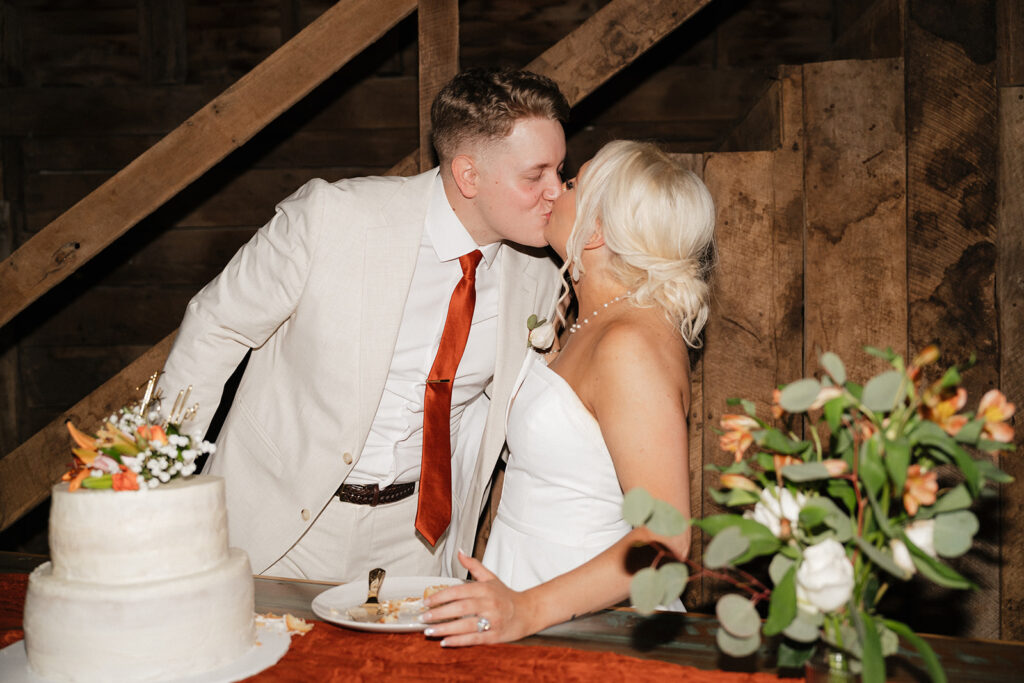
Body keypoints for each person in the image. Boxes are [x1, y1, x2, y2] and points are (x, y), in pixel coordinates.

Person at [156, 68, 568, 582]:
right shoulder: (333, 217)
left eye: (559, 170)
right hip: (283, 524)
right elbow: (215, 330)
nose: (558, 191)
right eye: (537, 175)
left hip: (418, 541)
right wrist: (157, 480)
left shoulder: (542, 273)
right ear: (468, 175)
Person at [419, 140, 716, 645]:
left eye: (574, 184)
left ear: (597, 230)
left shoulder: (630, 345)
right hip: (527, 583)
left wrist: (528, 609)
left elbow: (667, 538)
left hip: (583, 615)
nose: (556, 190)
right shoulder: (591, 320)